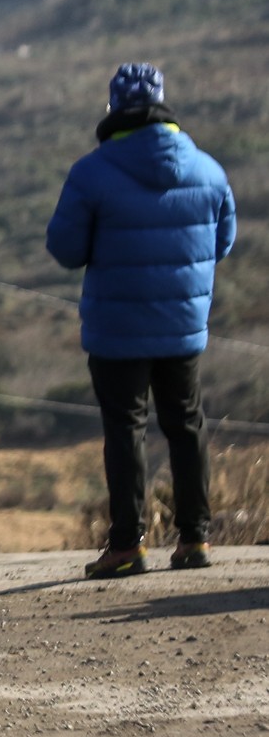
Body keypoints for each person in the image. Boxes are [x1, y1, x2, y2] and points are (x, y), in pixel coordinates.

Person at [46, 62, 235, 578]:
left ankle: (128, 546)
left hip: (117, 327)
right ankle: (195, 538)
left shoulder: (91, 173)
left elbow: (65, 249)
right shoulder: (209, 170)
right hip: (182, 324)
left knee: (125, 429)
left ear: (114, 107)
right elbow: (221, 244)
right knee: (186, 425)